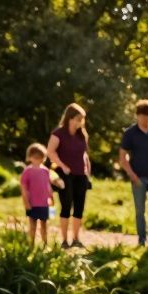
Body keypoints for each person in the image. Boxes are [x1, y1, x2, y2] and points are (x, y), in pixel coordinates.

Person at [119, 99, 148, 246]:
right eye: (144, 117)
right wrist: (132, 175)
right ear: (137, 116)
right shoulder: (130, 133)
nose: (147, 120)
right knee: (140, 211)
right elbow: (122, 157)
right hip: (138, 178)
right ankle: (142, 239)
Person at [46, 103, 92, 249]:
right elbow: (50, 152)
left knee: (79, 207)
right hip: (65, 174)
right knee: (66, 205)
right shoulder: (58, 133)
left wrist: (88, 171)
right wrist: (63, 166)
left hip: (81, 174)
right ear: (70, 118)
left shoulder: (82, 135)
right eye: (78, 119)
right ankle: (65, 240)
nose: (80, 122)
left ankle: (76, 239)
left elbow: (85, 154)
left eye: (82, 120)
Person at [20, 144, 59, 245]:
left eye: (39, 156)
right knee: (32, 226)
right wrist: (26, 202)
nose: (37, 158)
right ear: (30, 157)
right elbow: (23, 188)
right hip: (32, 204)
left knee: (44, 225)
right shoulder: (27, 171)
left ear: (43, 157)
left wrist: (52, 199)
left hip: (44, 204)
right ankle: (31, 246)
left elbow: (48, 186)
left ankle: (45, 245)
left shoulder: (45, 171)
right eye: (34, 155)